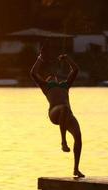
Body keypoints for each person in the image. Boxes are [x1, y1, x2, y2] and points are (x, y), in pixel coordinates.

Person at [30, 48, 85, 178]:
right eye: (49, 77)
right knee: (64, 108)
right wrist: (40, 58)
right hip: (54, 113)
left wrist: (67, 59)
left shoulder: (65, 85)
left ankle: (76, 169)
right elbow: (33, 73)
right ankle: (63, 142)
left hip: (68, 115)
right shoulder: (46, 86)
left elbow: (75, 70)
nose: (52, 76)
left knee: (78, 137)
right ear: (48, 80)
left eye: (54, 76)